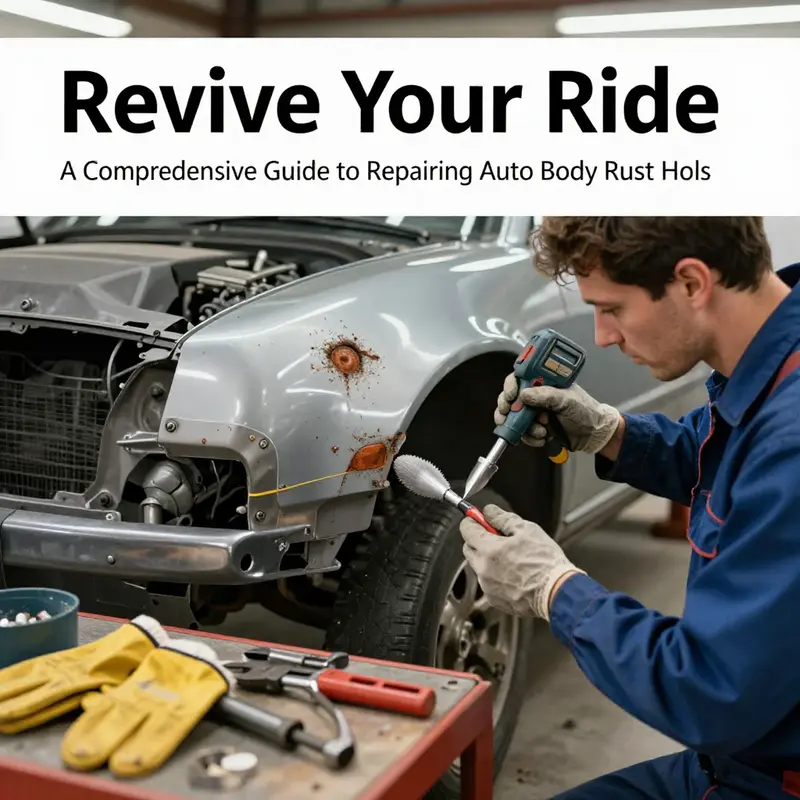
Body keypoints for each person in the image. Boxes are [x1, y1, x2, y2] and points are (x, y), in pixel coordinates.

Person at [459, 217, 800, 800]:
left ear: (692, 283)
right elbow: (723, 454)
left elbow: (711, 693)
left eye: (612, 308)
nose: (603, 337)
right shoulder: (774, 360)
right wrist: (608, 431)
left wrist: (553, 588)